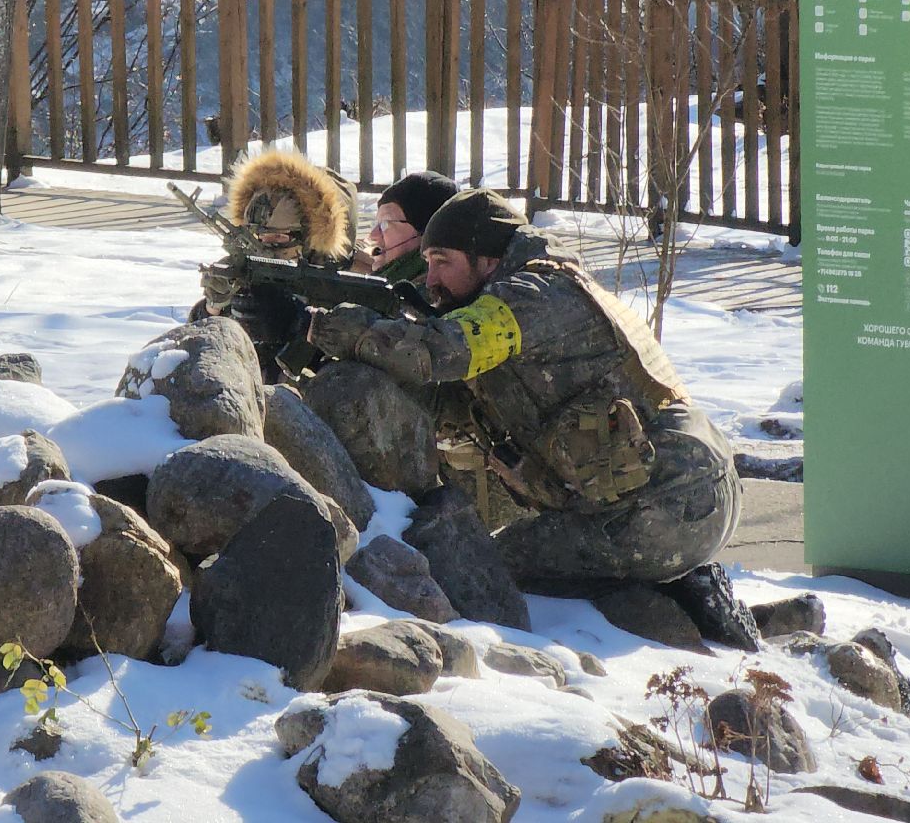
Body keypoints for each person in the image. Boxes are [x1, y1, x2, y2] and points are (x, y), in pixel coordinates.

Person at [305, 188, 741, 594]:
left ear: (488, 260)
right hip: (679, 497)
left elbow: (446, 350)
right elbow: (451, 403)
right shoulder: (533, 290)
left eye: (442, 261)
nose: (431, 279)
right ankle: (687, 591)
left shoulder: (534, 295)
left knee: (486, 568)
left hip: (668, 503)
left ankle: (681, 596)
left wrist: (334, 328)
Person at [192, 148, 357, 379]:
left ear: (311, 240)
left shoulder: (343, 293)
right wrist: (213, 307)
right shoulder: (254, 276)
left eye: (279, 238)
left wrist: (302, 324)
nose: (266, 249)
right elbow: (202, 354)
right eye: (258, 238)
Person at [351, 170, 460, 282]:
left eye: (385, 223)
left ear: (426, 231)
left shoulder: (428, 291)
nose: (373, 235)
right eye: (377, 224)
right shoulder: (393, 281)